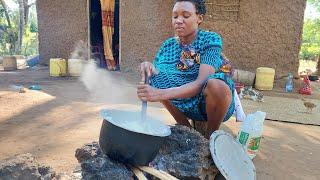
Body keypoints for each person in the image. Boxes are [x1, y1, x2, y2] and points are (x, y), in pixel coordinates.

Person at [137, 0, 243, 135]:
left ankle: (211, 136)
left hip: (212, 103)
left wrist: (159, 93)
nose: (178, 21)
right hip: (184, 103)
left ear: (199, 18)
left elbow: (201, 83)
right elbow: (158, 75)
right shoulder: (168, 46)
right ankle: (186, 129)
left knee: (217, 85)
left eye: (185, 16)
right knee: (155, 77)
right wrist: (149, 67)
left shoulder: (210, 40)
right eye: (175, 16)